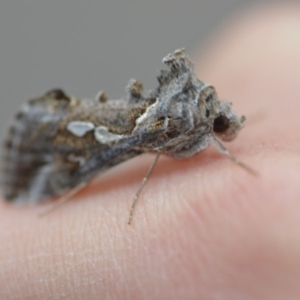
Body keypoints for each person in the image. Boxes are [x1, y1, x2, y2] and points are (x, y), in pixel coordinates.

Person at [1, 4, 300, 299]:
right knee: (116, 141)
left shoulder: (199, 118)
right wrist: (232, 161)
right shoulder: (178, 122)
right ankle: (34, 157)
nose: (225, 129)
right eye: (222, 125)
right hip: (101, 132)